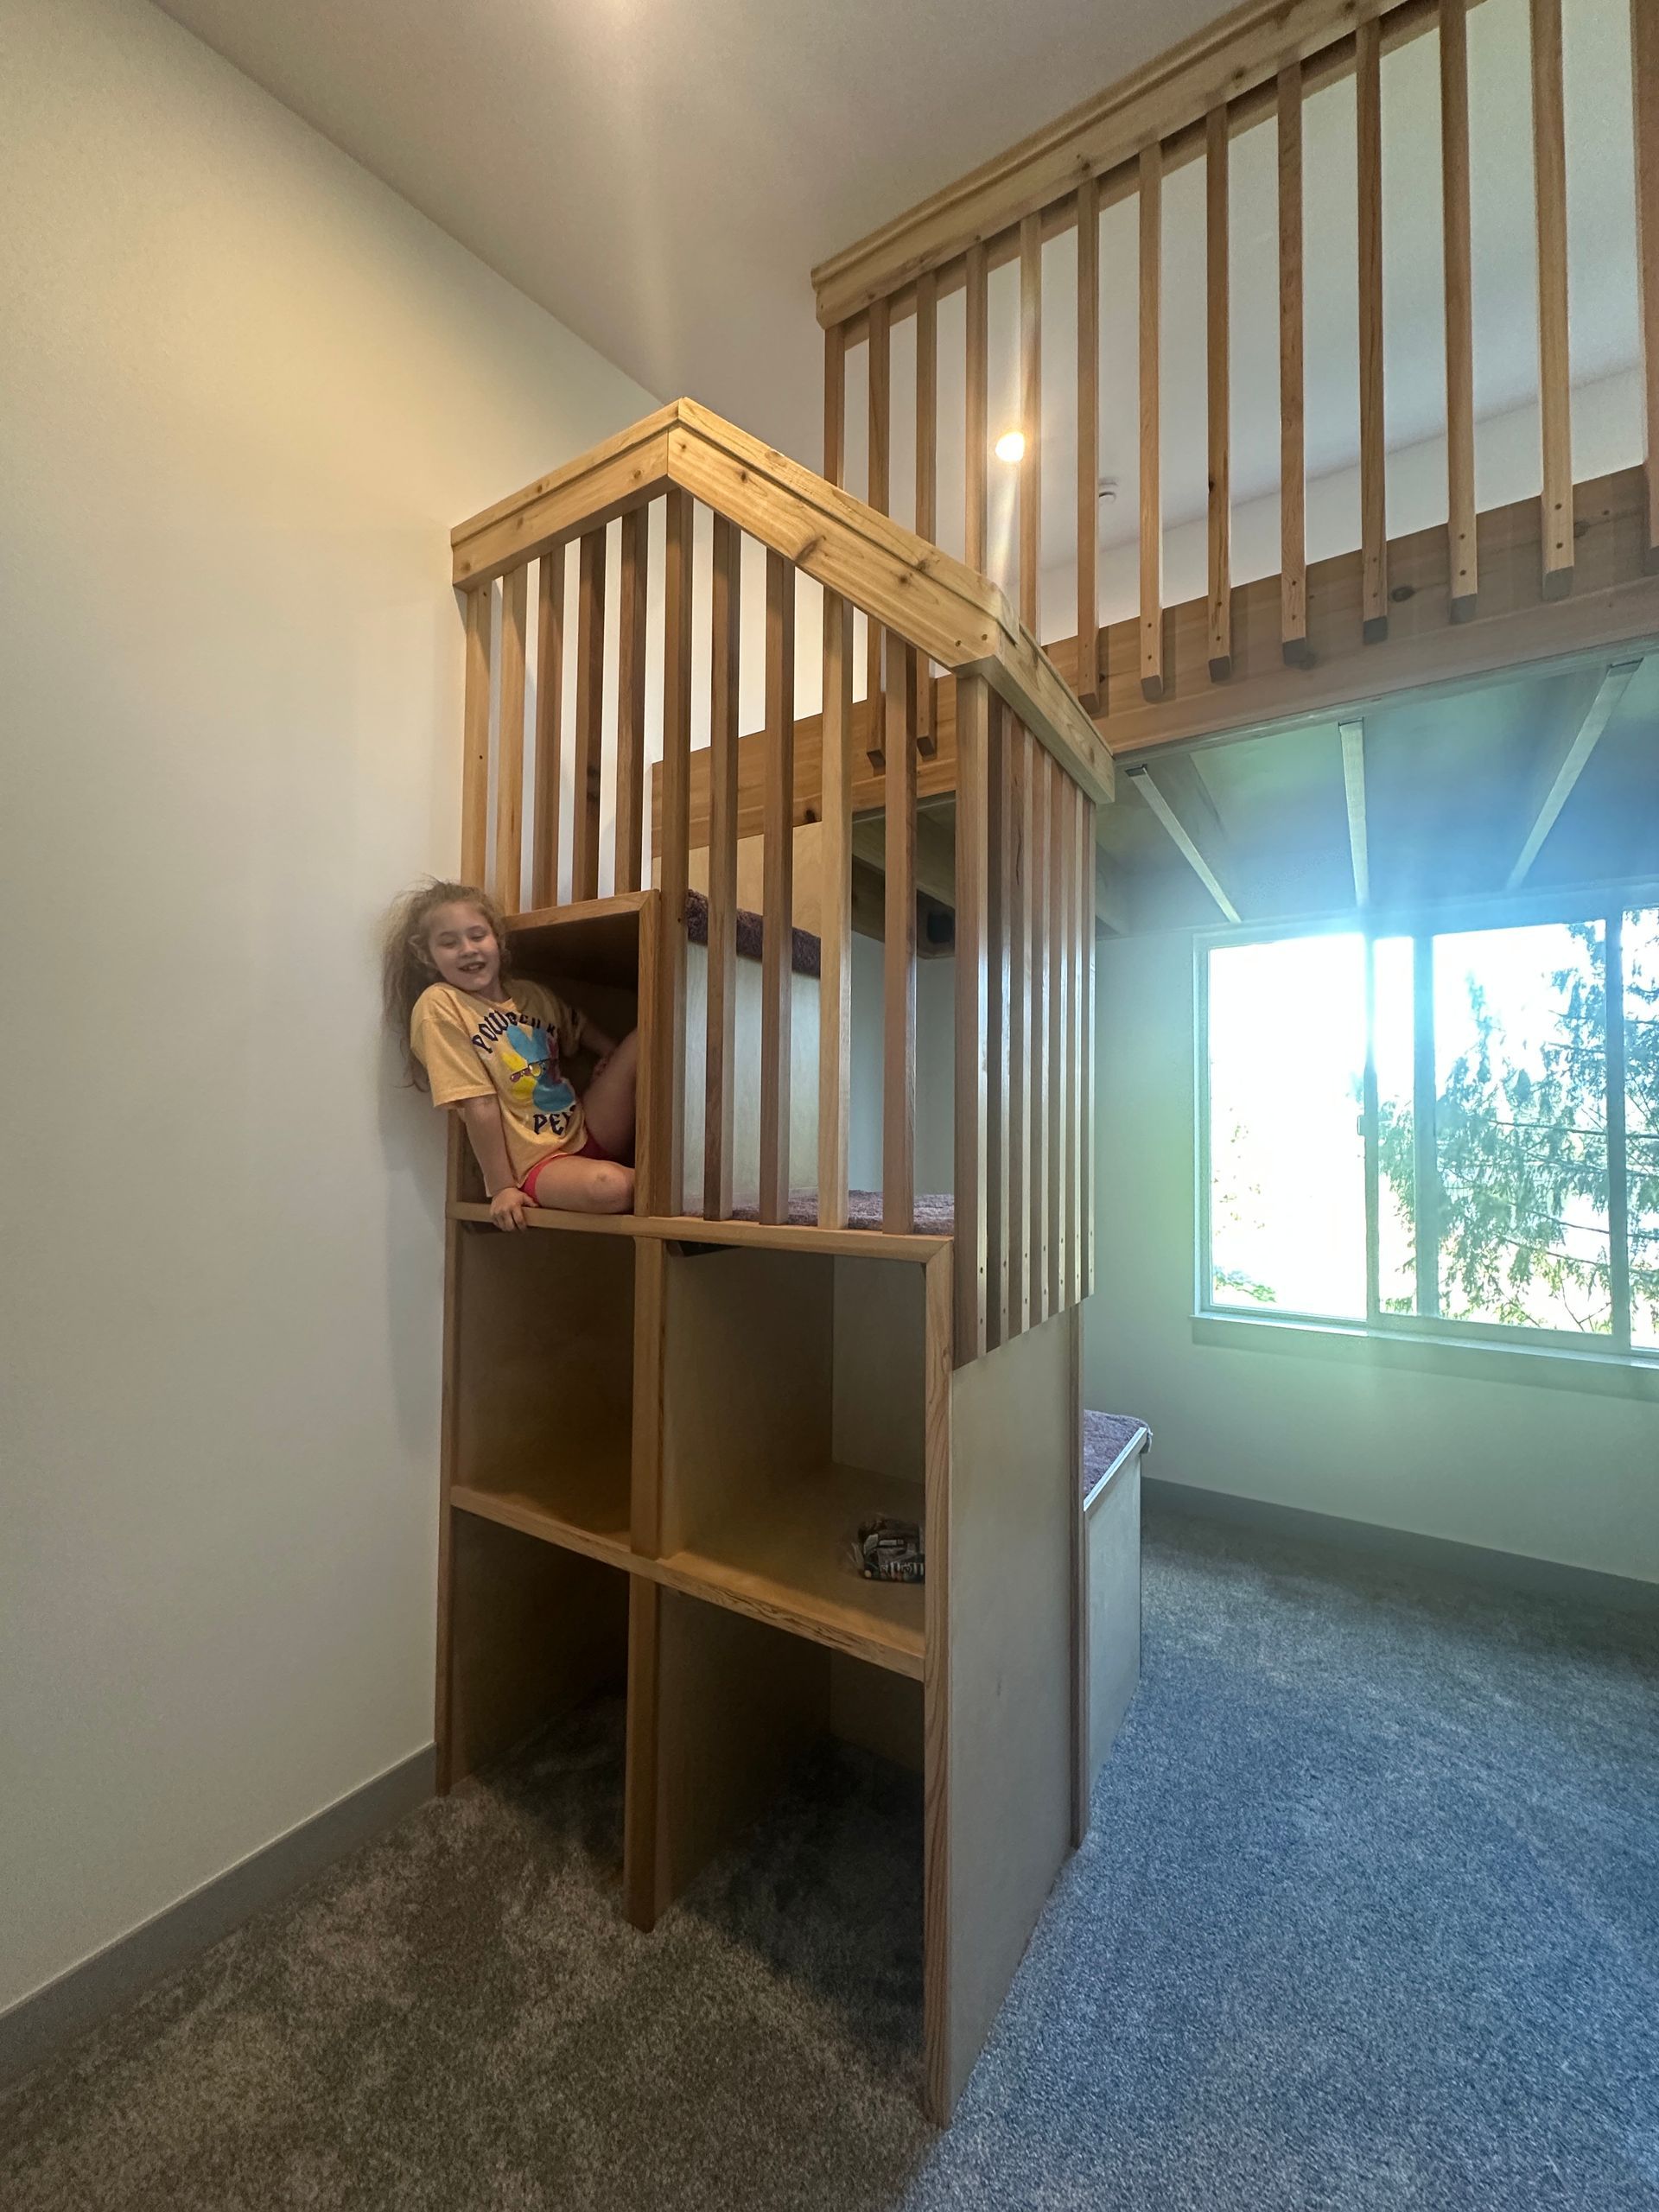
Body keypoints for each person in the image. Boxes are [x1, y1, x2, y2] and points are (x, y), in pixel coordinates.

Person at [384, 880, 637, 1228]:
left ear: (497, 941)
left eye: (477, 935)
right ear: (428, 956)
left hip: (585, 1124)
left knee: (642, 1040)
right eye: (449, 942)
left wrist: (609, 1053)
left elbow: (575, 1024)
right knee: (615, 1187)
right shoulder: (441, 1005)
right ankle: (661, 1178)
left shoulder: (530, 994)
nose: (468, 949)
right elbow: (479, 1104)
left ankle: (668, 1168)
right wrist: (501, 1187)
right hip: (538, 1163)